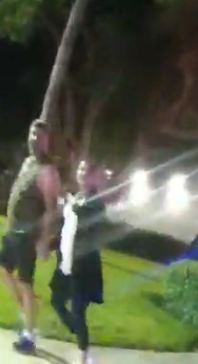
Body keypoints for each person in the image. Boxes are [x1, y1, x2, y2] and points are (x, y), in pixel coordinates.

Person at [1, 120, 61, 354]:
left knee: (25, 283)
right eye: (32, 134)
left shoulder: (48, 170)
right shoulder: (29, 162)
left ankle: (29, 337)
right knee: (2, 268)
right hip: (13, 230)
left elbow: (51, 208)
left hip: (27, 234)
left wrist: (44, 241)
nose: (35, 138)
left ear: (47, 141)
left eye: (40, 136)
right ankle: (28, 308)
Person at [51, 160, 108, 364]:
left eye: (87, 169)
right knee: (56, 301)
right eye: (80, 168)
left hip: (84, 266)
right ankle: (77, 330)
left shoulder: (95, 201)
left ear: (93, 176)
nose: (82, 172)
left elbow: (87, 219)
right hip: (67, 262)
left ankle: (84, 356)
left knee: (77, 309)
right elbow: (66, 227)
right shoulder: (78, 197)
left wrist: (69, 205)